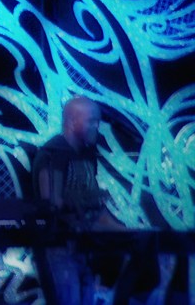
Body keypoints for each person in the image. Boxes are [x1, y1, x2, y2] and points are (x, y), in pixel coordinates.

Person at [32, 95, 156, 304]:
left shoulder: (86, 154)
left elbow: (93, 209)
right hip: (60, 248)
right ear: (72, 121)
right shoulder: (53, 154)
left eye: (97, 122)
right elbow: (53, 207)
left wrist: (126, 232)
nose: (97, 127)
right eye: (91, 121)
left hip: (84, 247)